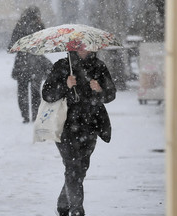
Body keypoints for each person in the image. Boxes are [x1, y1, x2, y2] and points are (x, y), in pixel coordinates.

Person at [42, 50, 116, 216]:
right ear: (72, 47)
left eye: (88, 45)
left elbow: (111, 94)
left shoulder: (99, 66)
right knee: (72, 166)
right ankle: (77, 210)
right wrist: (64, 86)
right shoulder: (62, 66)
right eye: (80, 45)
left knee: (81, 168)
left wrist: (99, 90)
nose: (84, 48)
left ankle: (63, 203)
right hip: (66, 126)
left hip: (91, 125)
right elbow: (47, 94)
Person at [8, 6, 53, 123]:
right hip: (36, 64)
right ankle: (35, 115)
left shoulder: (20, 25)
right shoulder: (39, 26)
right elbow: (45, 44)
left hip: (21, 63)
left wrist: (21, 48)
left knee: (22, 92)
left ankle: (25, 116)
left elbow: (12, 44)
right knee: (35, 91)